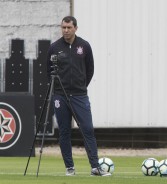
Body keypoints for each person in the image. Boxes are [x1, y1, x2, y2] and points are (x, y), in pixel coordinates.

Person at [47, 16, 111, 176]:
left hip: (79, 95)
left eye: (69, 27)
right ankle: (69, 168)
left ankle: (95, 167)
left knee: (87, 129)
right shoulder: (54, 47)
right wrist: (57, 91)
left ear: (76, 28)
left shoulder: (84, 46)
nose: (66, 30)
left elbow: (90, 69)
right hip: (60, 96)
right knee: (64, 131)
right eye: (63, 27)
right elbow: (49, 72)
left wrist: (80, 86)